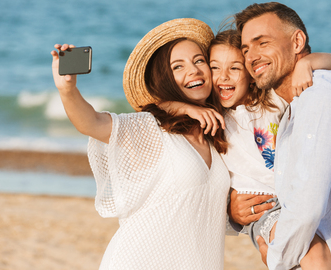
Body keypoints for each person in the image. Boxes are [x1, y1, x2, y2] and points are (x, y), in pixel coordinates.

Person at [51, 18, 231, 269]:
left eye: (199, 60)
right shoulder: (151, 129)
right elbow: (91, 123)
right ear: (164, 79)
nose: (193, 70)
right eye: (177, 67)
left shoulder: (218, 135)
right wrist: (67, 90)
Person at [230, 2, 331, 269]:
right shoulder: (295, 105)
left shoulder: (321, 96)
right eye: (246, 49)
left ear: (297, 42)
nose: (251, 56)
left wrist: (274, 256)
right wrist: (234, 209)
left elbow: (306, 210)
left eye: (262, 43)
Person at [160, 29, 331, 269]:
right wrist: (189, 109)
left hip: (300, 197)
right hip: (265, 209)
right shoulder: (213, 119)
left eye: (234, 68)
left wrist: (305, 63)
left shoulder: (273, 101)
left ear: (250, 72)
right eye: (214, 68)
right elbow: (156, 105)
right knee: (315, 255)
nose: (223, 77)